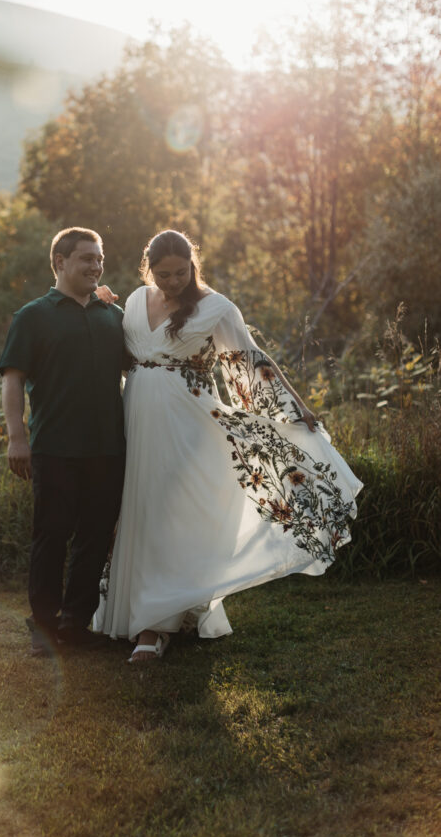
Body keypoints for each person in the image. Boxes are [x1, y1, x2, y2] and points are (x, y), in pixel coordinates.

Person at [94, 229, 362, 663]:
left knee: (172, 513)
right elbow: (127, 353)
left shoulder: (217, 308)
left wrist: (294, 409)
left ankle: (155, 624)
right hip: (138, 420)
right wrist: (105, 306)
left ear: (193, 265)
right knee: (139, 509)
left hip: (189, 424)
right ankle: (147, 609)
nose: (172, 281)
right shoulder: (137, 300)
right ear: (148, 269)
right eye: (163, 274)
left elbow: (251, 361)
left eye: (181, 272)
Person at [0, 227, 126, 656]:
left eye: (99, 257)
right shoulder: (33, 315)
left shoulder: (114, 316)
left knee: (95, 536)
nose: (95, 265)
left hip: (108, 447)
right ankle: (44, 626)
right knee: (51, 536)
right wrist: (17, 438)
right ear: (60, 262)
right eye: (86, 258)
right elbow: (13, 379)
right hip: (53, 447)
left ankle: (76, 624)